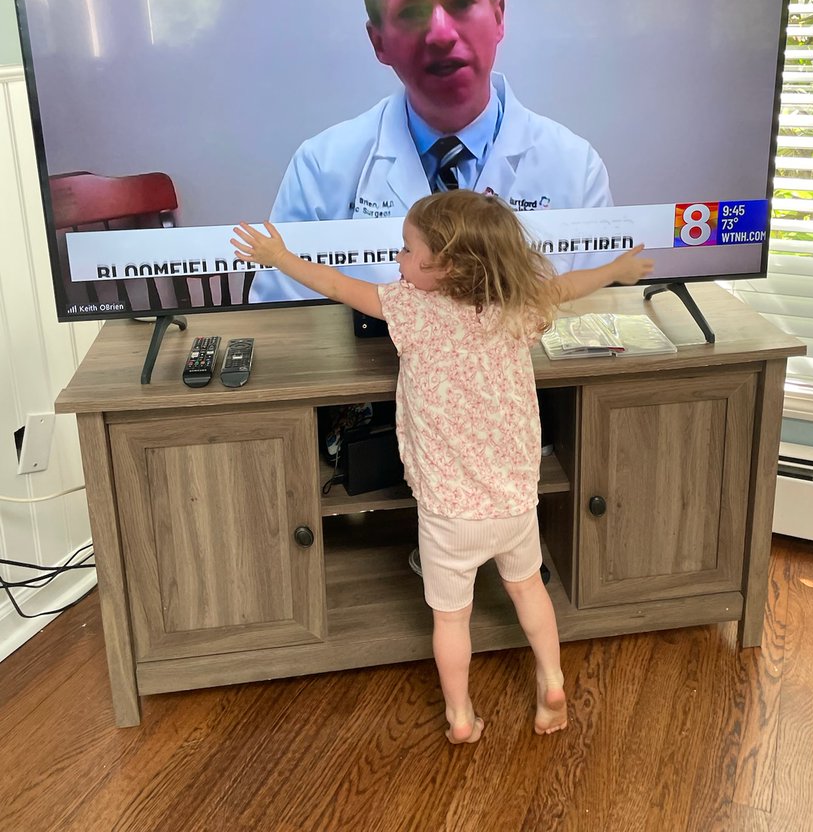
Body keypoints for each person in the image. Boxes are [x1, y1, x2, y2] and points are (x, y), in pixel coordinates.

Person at [231, 191, 653, 743]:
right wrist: (617, 269)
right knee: (528, 590)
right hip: (514, 503)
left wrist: (280, 258)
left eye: (407, 250)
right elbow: (565, 288)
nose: (397, 262)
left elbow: (335, 285)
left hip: (449, 514)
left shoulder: (409, 309)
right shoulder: (517, 305)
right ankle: (551, 682)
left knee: (452, 620)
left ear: (448, 265)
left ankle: (460, 716)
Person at [250, 0, 612, 304]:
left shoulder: (576, 169)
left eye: (460, 3)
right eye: (411, 11)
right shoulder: (320, 168)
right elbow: (279, 323)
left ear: (498, 17)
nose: (440, 33)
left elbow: (600, 323)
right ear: (379, 42)